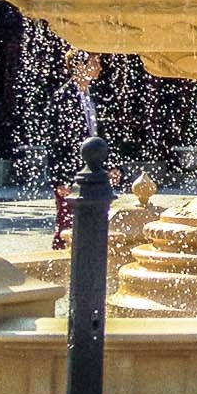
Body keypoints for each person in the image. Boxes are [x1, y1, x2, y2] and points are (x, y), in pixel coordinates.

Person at [47, 50, 123, 249]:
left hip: (95, 173)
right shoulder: (63, 97)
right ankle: (61, 265)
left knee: (93, 223)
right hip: (72, 174)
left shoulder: (95, 96)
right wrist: (59, 179)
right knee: (66, 227)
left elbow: (102, 135)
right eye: (95, 62)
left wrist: (112, 166)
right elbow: (56, 141)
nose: (99, 67)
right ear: (80, 66)